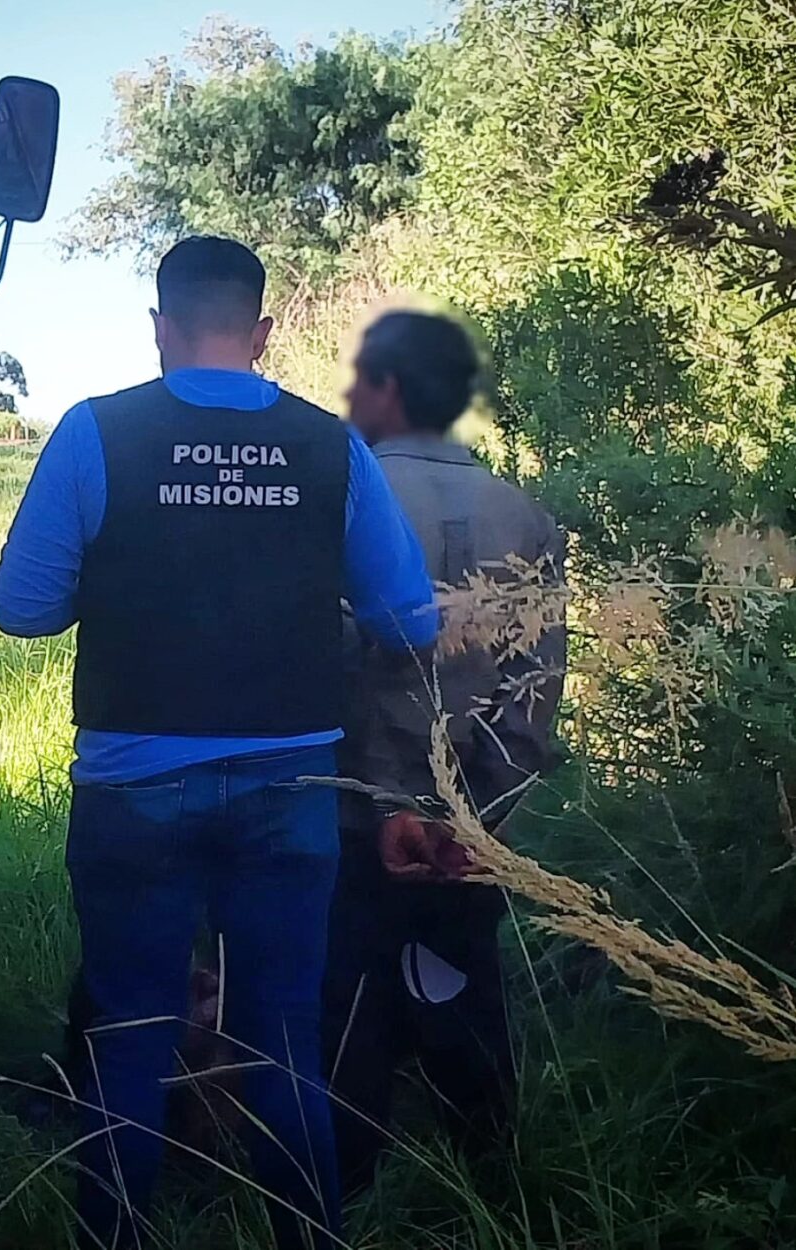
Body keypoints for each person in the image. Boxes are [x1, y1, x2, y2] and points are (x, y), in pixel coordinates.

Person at [0, 238, 438, 1249]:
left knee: (130, 1039)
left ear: (158, 329)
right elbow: (409, 621)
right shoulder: (329, 447)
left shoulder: (95, 432)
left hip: (131, 792)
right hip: (290, 789)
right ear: (262, 331)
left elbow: (20, 608)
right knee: (286, 1038)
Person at [324, 308, 567, 1190]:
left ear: (386, 390)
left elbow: (337, 673)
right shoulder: (526, 516)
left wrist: (388, 803)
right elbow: (534, 693)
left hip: (355, 815)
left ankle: (346, 1180)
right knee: (466, 984)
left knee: (346, 996)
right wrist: (476, 816)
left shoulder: (343, 498)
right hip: (476, 828)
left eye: (360, 382)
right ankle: (492, 1178)